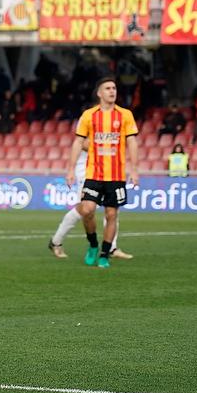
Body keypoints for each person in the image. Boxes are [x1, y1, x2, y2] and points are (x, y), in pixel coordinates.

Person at [64, 78, 139, 269]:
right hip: (93, 174)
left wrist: (134, 169)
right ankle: (93, 244)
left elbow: (132, 142)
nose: (112, 91)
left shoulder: (125, 115)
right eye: (107, 88)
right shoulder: (89, 115)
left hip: (116, 176)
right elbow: (78, 142)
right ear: (99, 93)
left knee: (111, 214)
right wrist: (70, 169)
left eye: (114, 88)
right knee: (87, 210)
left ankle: (105, 254)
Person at [48, 141, 132, 260]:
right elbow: (82, 143)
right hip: (88, 167)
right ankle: (56, 241)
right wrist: (108, 149)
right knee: (84, 209)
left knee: (112, 208)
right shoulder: (88, 127)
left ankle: (111, 247)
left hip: (107, 166)